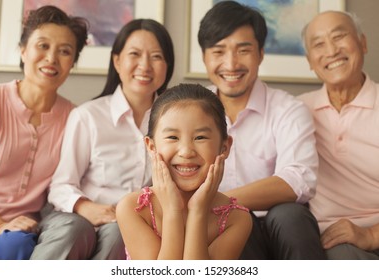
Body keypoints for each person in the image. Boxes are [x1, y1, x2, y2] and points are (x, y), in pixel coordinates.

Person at [35, 19, 174, 260]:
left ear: (167, 66)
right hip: (80, 218)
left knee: (122, 231)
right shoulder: (87, 116)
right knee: (78, 230)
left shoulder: (175, 122)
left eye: (156, 56)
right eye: (135, 54)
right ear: (117, 61)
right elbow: (61, 185)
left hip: (133, 225)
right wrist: (84, 207)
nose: (145, 65)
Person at [197, 1, 325, 259]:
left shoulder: (288, 109)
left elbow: (298, 180)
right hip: (223, 229)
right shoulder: (192, 112)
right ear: (204, 57)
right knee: (233, 221)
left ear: (261, 53)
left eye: (243, 50)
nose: (231, 64)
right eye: (219, 51)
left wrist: (220, 201)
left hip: (280, 228)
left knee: (290, 214)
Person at [0, 5, 88, 260]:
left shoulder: (75, 118)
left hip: (23, 232)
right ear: (23, 50)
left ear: (72, 63)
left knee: (16, 247)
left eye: (65, 51)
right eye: (42, 46)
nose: (51, 58)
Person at [116, 83, 252, 259]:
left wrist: (198, 211)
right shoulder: (133, 208)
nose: (186, 151)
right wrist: (173, 210)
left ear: (224, 147)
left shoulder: (236, 219)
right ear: (151, 146)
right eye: (173, 137)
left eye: (200, 137)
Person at [299, 11, 379, 259]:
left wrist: (372, 235)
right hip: (331, 241)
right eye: (319, 44)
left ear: (362, 43)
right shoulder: (298, 111)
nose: (331, 50)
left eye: (339, 36)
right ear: (310, 61)